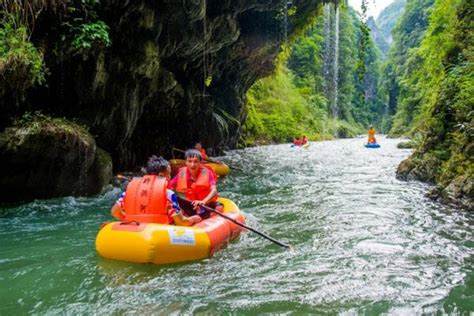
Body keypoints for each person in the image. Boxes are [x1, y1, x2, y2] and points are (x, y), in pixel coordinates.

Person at [111, 156, 201, 225]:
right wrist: (193, 219)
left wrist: (128, 219)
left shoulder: (128, 191)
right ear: (161, 175)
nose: (170, 178)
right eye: (169, 175)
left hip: (135, 229)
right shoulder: (168, 194)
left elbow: (115, 211)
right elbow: (181, 222)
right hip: (158, 233)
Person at [168, 149, 222, 219]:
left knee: (218, 207)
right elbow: (168, 187)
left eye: (196, 162)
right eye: (189, 161)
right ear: (186, 162)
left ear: (200, 163)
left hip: (207, 204)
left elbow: (214, 190)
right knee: (176, 198)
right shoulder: (182, 174)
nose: (192, 165)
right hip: (192, 204)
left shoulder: (207, 172)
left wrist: (203, 201)